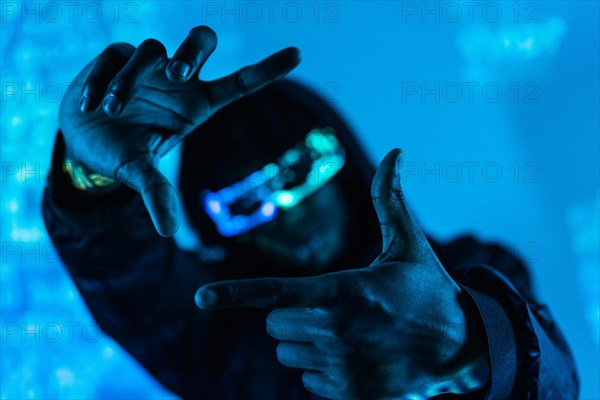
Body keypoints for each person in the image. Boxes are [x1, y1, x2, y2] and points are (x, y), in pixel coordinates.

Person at [42, 26, 578, 399]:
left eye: (299, 172)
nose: (288, 216)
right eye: (246, 204)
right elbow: (138, 291)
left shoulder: (474, 269)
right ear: (213, 224)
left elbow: (558, 380)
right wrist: (91, 181)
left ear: (343, 159)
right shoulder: (222, 332)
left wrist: (470, 347)